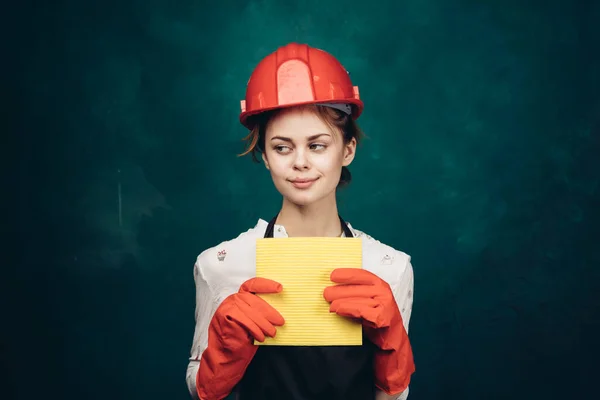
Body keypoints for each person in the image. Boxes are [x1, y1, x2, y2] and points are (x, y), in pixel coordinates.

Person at [185, 42, 416, 400]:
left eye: (318, 145)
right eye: (282, 147)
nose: (300, 162)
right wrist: (221, 359)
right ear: (264, 156)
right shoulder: (221, 265)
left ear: (348, 150)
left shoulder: (390, 268)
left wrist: (393, 365)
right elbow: (200, 387)